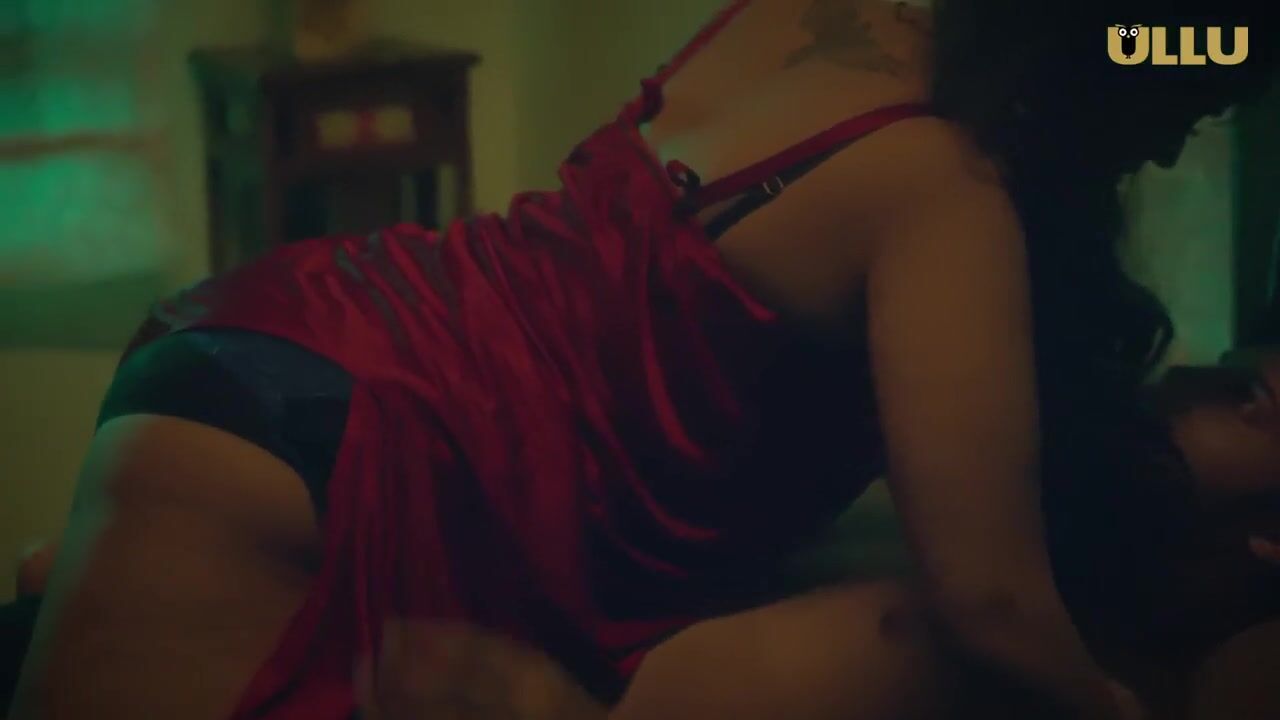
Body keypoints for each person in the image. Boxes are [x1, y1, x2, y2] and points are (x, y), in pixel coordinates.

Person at [8, 1, 1277, 719]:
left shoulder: (812, 19)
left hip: (287, 345)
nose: (1171, 144)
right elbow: (992, 605)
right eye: (1183, 99)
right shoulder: (940, 196)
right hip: (356, 450)